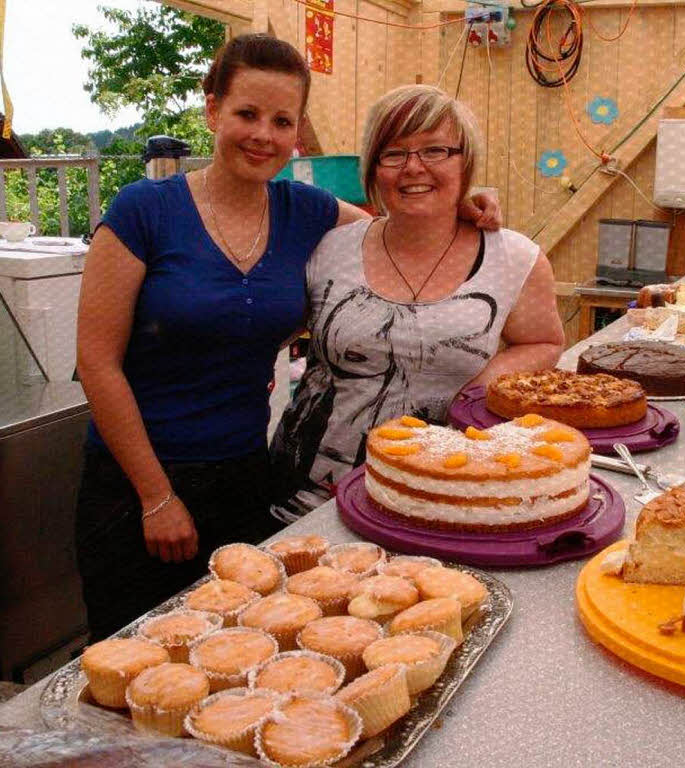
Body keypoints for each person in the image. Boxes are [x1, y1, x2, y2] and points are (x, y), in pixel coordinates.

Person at [75, 36, 500, 641]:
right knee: (129, 662)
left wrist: (466, 205)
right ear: (212, 110)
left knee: (238, 654)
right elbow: (96, 362)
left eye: (282, 121)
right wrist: (156, 496)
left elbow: (400, 228)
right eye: (247, 114)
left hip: (247, 476)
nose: (264, 135)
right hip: (134, 483)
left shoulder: (306, 212)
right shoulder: (144, 210)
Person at [269, 85, 565, 518]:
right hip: (302, 498)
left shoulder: (516, 259)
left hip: (439, 495)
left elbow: (542, 342)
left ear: (466, 162)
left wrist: (475, 391)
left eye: (435, 150)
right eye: (393, 153)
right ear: (372, 167)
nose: (413, 168)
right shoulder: (328, 248)